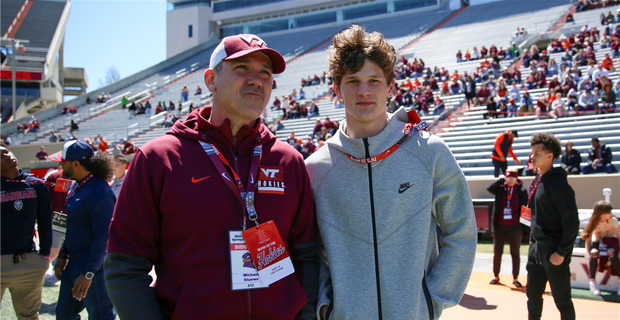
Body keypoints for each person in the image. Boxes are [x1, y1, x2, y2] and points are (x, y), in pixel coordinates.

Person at [104, 33, 319, 319]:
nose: (257, 79)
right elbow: (125, 265)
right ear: (210, 80)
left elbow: (307, 257)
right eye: (242, 68)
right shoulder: (159, 158)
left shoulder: (288, 161)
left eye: (265, 72)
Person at [305, 25, 477, 320]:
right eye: (353, 81)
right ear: (337, 88)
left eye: (374, 80)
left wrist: (431, 300)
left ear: (391, 86)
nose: (364, 90)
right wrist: (328, 306)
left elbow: (461, 231)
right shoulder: (316, 169)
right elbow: (311, 251)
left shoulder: (429, 152)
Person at [50, 140, 116, 320]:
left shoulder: (98, 191)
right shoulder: (77, 185)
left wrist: (88, 272)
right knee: (64, 315)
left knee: (100, 316)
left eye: (64, 162)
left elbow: (104, 235)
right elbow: (73, 225)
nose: (61, 166)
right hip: (75, 262)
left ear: (76, 164)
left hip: (93, 266)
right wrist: (63, 255)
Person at [526, 133, 579, 320]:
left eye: (537, 153)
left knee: (562, 300)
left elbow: (572, 223)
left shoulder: (559, 185)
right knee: (532, 296)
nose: (532, 156)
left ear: (550, 156)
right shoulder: (537, 181)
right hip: (535, 250)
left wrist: (562, 252)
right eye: (532, 153)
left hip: (554, 251)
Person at [0, 142, 53, 319]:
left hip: (28, 260)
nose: (7, 155)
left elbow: (45, 220)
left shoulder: (36, 184)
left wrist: (44, 256)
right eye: (0, 156)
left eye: (6, 151)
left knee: (29, 316)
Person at [487, 169, 527, 287]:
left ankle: (515, 277)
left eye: (513, 178)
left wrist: (526, 226)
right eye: (508, 178)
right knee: (497, 251)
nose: (510, 181)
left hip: (515, 227)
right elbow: (489, 188)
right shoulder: (500, 189)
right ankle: (496, 275)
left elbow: (526, 208)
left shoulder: (521, 191)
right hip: (500, 225)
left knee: (515, 252)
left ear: (517, 179)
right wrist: (501, 179)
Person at [581, 201, 620, 296]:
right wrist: (588, 253)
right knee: (594, 253)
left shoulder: (613, 220)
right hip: (598, 241)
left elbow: (619, 237)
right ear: (601, 214)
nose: (611, 214)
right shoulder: (593, 221)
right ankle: (592, 282)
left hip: (611, 241)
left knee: (611, 252)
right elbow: (588, 239)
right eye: (608, 212)